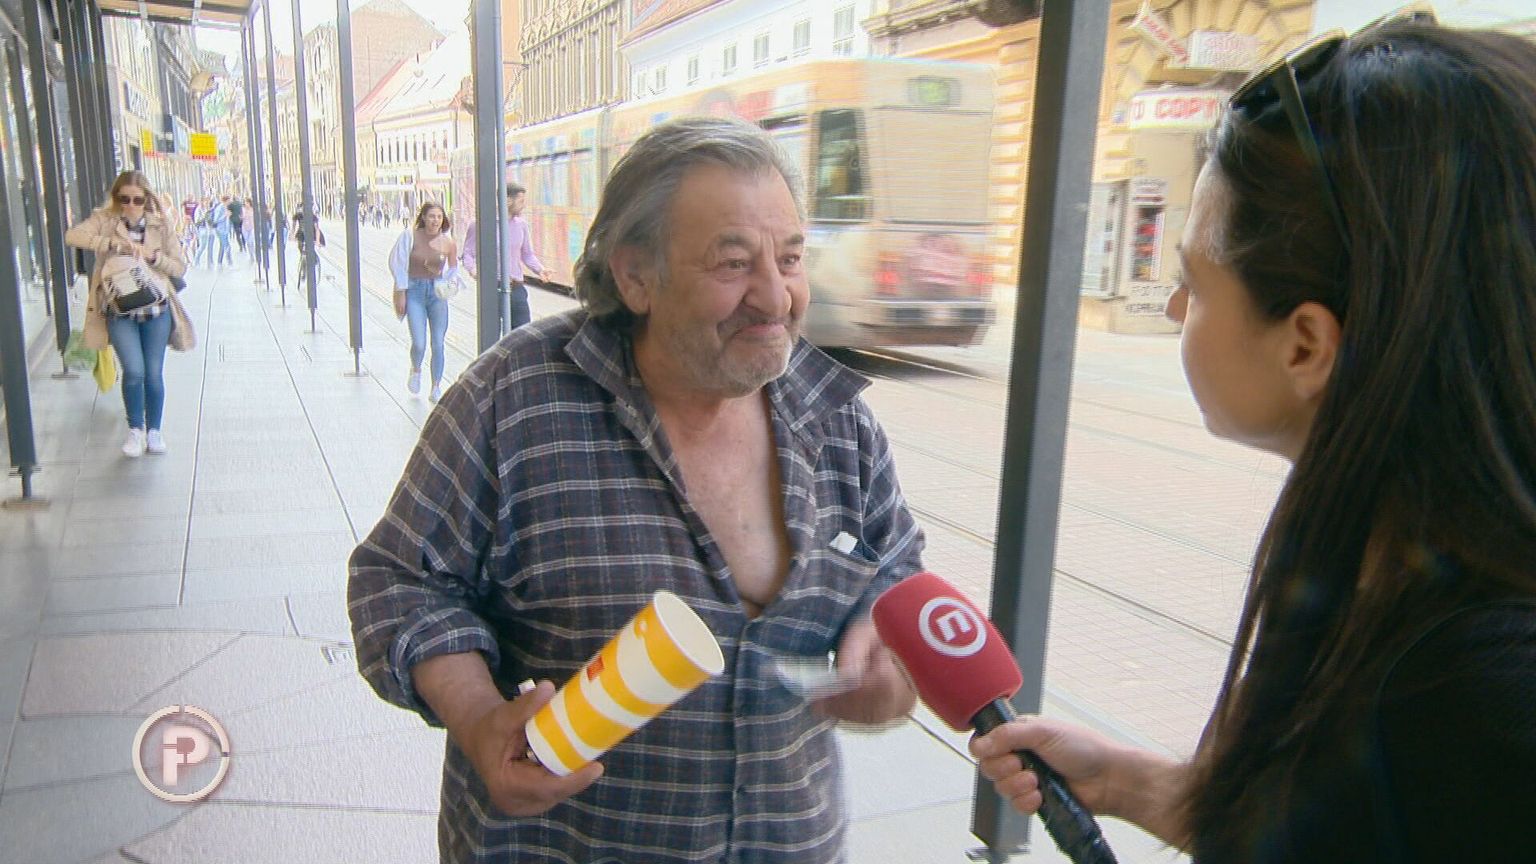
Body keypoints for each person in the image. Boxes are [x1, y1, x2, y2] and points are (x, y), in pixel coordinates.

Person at [972, 17, 1536, 862]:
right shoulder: (1380, 555)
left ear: (1305, 345)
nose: (1174, 308)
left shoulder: (1484, 706)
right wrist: (1139, 786)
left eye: (1193, 282)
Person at [348, 116, 925, 863]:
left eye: (789, 258)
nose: (776, 298)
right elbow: (398, 584)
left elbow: (897, 573)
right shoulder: (512, 400)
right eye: (733, 264)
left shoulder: (836, 416)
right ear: (635, 277)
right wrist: (479, 717)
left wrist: (890, 653)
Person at [65, 170, 195, 457]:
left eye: (138, 199)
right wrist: (111, 243)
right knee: (134, 371)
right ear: (116, 198)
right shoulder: (106, 221)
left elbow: (179, 267)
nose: (132, 205)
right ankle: (135, 429)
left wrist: (153, 257)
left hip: (156, 310)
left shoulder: (160, 225)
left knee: (153, 373)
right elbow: (73, 236)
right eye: (125, 199)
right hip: (119, 310)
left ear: (147, 199)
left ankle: (154, 431)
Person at [387, 201, 458, 403]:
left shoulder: (447, 242)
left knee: (438, 343)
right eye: (432, 216)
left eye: (439, 217)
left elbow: (453, 269)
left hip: (437, 294)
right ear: (424, 218)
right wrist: (401, 292)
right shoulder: (409, 236)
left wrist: (450, 282)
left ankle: (436, 386)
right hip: (415, 291)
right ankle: (416, 368)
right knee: (419, 342)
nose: (436, 220)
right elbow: (397, 264)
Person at [461, 182, 549, 334]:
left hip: (516, 288)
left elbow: (527, 254)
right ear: (508, 200)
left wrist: (540, 270)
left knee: (522, 335)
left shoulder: (521, 225)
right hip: (492, 289)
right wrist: (473, 270)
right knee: (491, 334)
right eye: (521, 201)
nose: (523, 206)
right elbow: (468, 253)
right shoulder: (479, 224)